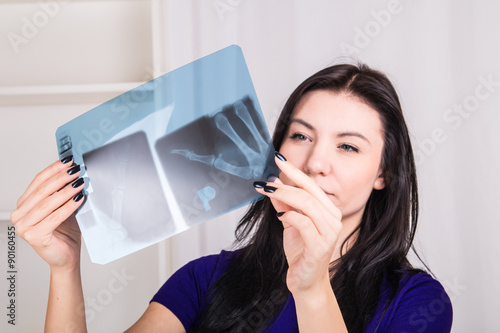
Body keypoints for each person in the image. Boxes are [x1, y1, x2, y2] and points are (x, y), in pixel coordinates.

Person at [11, 63, 453, 332]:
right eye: (300, 135)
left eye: (348, 146)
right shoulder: (206, 279)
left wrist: (312, 285)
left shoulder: (417, 302)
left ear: (385, 174)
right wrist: (65, 268)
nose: (316, 162)